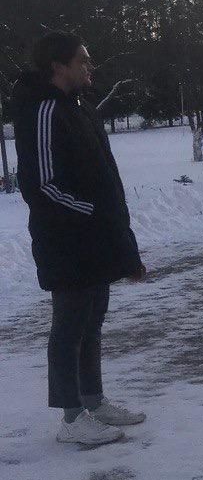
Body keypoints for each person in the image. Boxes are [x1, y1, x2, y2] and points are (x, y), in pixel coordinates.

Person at [11, 31, 148, 447]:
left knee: (92, 324)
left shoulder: (79, 107)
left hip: (96, 238)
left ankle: (93, 400)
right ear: (58, 66)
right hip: (66, 241)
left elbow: (103, 173)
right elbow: (41, 185)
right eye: (82, 61)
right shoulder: (45, 110)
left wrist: (112, 222)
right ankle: (71, 419)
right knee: (68, 328)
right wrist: (91, 215)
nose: (90, 67)